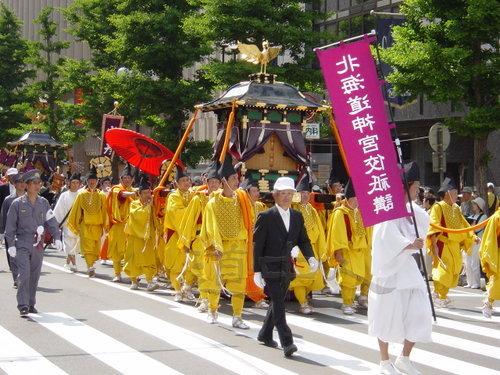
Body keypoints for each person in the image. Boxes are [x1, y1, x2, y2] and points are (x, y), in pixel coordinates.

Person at [368, 161, 432, 375]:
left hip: (408, 271)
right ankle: (384, 361)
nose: (418, 191)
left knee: (420, 313)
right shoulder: (386, 206)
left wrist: (413, 224)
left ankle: (404, 357)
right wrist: (408, 243)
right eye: (415, 187)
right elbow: (385, 236)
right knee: (386, 315)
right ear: (406, 186)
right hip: (389, 271)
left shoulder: (410, 209)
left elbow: (424, 223)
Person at [253, 176, 317, 357]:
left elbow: (303, 239)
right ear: (275, 195)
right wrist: (257, 270)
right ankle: (287, 341)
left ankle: (265, 334)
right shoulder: (265, 216)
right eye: (283, 194)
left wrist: (311, 257)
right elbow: (258, 244)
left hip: (287, 265)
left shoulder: (297, 216)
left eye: (290, 193)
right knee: (280, 304)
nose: (287, 197)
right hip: (270, 265)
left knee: (278, 300)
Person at [200, 154, 251, 328]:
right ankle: (212, 311)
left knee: (238, 283)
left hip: (237, 247)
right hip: (218, 248)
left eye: (237, 178)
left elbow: (250, 221)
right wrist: (216, 246)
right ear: (224, 181)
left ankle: (237, 317)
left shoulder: (242, 200)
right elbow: (210, 226)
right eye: (233, 178)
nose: (237, 181)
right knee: (214, 282)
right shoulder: (212, 203)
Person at [5, 169, 62, 316]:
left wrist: (57, 237)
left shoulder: (43, 203)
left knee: (35, 275)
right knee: (24, 274)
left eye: (39, 183)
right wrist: (10, 244)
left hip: (38, 243)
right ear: (27, 185)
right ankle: (22, 304)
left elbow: (51, 221)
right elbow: (10, 226)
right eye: (34, 183)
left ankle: (31, 303)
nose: (37, 186)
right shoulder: (17, 204)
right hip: (22, 242)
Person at [178, 161, 221, 312]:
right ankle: (203, 299)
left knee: (215, 272)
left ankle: (213, 300)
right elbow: (189, 221)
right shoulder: (198, 198)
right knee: (203, 271)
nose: (214, 184)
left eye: (217, 182)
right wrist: (186, 241)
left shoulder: (223, 200)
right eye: (212, 182)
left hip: (218, 241)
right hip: (200, 239)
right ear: (206, 182)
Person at [426, 177, 475, 308]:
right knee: (443, 270)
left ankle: (442, 295)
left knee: (454, 270)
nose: (456, 195)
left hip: (455, 245)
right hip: (443, 243)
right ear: (447, 193)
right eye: (454, 193)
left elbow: (463, 224)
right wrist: (434, 244)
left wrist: (472, 235)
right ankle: (438, 294)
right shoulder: (438, 207)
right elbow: (434, 225)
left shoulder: (456, 208)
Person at [327, 180, 372, 315]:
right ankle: (347, 302)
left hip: (364, 250)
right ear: (351, 197)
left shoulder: (361, 211)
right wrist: (339, 254)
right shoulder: (340, 213)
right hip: (349, 251)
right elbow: (337, 235)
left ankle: (363, 297)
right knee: (349, 279)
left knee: (368, 274)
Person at [290, 171, 327, 314]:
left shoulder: (311, 209)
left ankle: (304, 299)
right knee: (301, 278)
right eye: (302, 192)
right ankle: (303, 303)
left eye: (307, 192)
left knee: (312, 276)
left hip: (312, 248)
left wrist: (321, 249)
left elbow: (318, 229)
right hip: (297, 249)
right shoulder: (293, 208)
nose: (305, 195)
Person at [67, 167, 107, 277]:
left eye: (94, 181)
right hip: (86, 225)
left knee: (95, 247)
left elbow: (104, 211)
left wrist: (105, 224)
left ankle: (91, 264)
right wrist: (76, 223)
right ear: (87, 182)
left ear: (97, 182)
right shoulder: (82, 194)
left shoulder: (101, 195)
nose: (92, 183)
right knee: (87, 247)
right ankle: (90, 266)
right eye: (90, 181)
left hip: (97, 225)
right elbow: (76, 210)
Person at [123, 175, 159, 291]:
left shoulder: (151, 204)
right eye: (144, 193)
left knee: (148, 258)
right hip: (135, 236)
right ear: (139, 194)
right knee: (134, 258)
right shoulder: (134, 204)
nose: (147, 195)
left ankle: (149, 281)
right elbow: (138, 215)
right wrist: (148, 207)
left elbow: (156, 218)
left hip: (147, 237)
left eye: (149, 192)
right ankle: (134, 280)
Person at [164, 166, 194, 301]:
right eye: (183, 181)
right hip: (176, 234)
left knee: (191, 265)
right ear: (176, 183)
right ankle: (177, 290)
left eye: (188, 180)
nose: (186, 183)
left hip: (191, 235)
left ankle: (187, 288)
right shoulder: (173, 196)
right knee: (177, 265)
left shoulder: (193, 195)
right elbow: (177, 214)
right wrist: (192, 210)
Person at [240, 174, 269, 309]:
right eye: (254, 191)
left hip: (257, 244)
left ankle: (258, 297)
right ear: (247, 193)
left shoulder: (261, 206)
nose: (257, 193)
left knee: (257, 270)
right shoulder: (240, 206)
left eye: (258, 191)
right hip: (244, 243)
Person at [106, 164, 137, 281]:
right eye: (125, 178)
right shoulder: (116, 189)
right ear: (120, 179)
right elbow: (121, 195)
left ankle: (132, 274)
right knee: (117, 251)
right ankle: (117, 273)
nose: (127, 180)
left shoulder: (134, 191)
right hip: (118, 224)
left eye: (129, 178)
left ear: (132, 180)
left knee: (131, 251)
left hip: (132, 225)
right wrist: (134, 194)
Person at [0, 172, 26, 286]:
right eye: (19, 182)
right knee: (13, 256)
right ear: (14, 184)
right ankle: (16, 278)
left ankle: (23, 276)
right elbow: (3, 216)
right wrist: (1, 232)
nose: (21, 184)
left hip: (26, 233)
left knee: (25, 257)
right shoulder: (8, 200)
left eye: (23, 182)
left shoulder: (31, 198)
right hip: (12, 232)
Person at [53, 172, 82, 272]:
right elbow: (59, 210)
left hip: (78, 224)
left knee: (76, 243)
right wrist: (57, 223)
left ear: (80, 184)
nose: (75, 185)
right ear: (69, 183)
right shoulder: (64, 195)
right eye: (73, 182)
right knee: (69, 242)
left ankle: (67, 261)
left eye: (77, 183)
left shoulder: (81, 195)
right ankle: (74, 263)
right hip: (67, 223)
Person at [479, 207, 499, 318]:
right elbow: (491, 239)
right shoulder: (497, 217)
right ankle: (488, 302)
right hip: (498, 253)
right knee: (497, 282)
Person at [463, 197, 488, 289]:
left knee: (474, 262)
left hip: (478, 241)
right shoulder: (472, 216)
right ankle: (469, 282)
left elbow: (477, 228)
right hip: (469, 241)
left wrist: (471, 226)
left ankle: (476, 282)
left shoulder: (484, 217)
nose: (472, 205)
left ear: (479, 206)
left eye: (474, 204)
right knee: (467, 262)